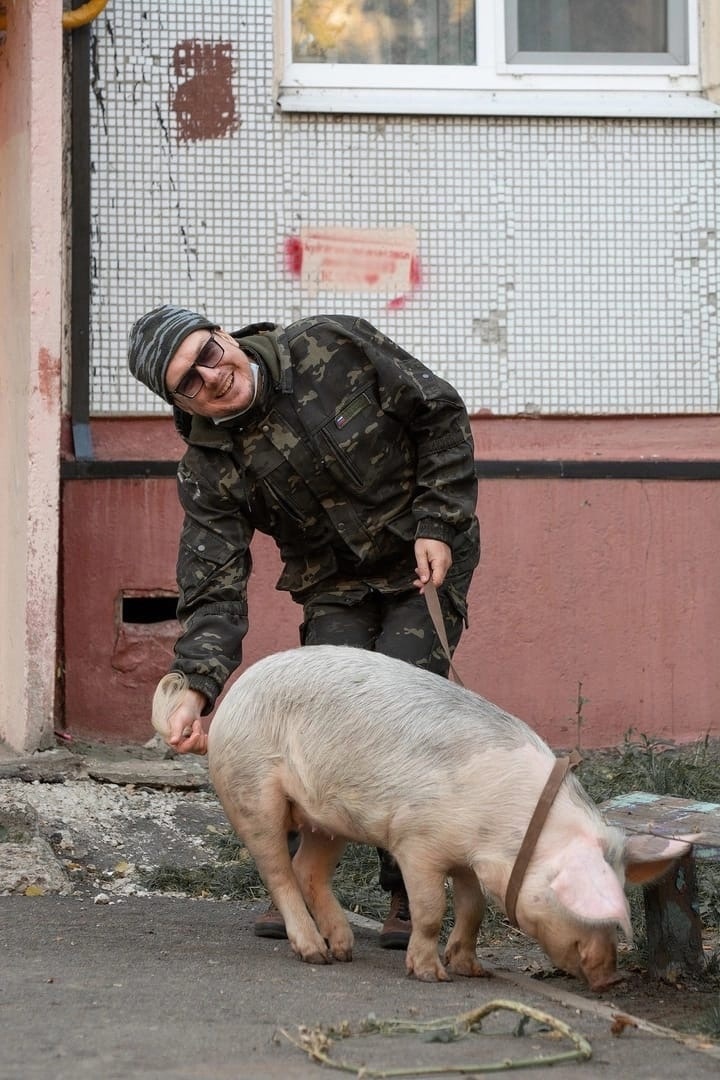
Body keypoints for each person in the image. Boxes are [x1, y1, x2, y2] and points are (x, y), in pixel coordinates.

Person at [127, 305, 480, 950]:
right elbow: (213, 584)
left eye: (207, 353)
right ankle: (302, 882)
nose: (211, 377)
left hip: (423, 556)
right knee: (323, 721)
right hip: (331, 585)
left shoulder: (329, 344)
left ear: (223, 334)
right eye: (187, 383)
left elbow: (438, 413)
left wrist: (438, 520)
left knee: (405, 700)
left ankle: (409, 888)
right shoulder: (208, 467)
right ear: (178, 401)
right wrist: (196, 686)